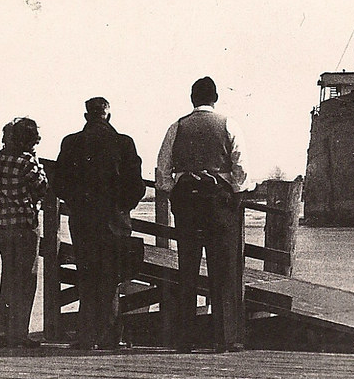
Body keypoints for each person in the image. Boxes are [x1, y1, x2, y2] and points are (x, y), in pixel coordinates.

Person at [156, 77, 252, 353]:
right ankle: (224, 337)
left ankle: (185, 338)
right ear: (216, 98)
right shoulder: (228, 124)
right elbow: (241, 167)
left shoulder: (177, 126)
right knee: (223, 268)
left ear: (192, 98)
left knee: (187, 267)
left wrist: (173, 188)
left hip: (187, 201)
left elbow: (163, 169)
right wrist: (234, 191)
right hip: (217, 202)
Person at [56, 97, 145, 350]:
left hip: (83, 219)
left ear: (87, 116)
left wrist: (76, 201)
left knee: (86, 274)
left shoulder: (71, 142)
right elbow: (136, 185)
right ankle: (110, 335)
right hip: (114, 220)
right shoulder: (123, 143)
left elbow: (60, 183)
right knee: (111, 277)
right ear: (108, 115)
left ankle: (86, 335)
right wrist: (123, 206)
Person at [0, 117, 50, 349]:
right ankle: (20, 333)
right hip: (26, 226)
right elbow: (42, 187)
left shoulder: (0, 157)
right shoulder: (27, 161)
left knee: (8, 278)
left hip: (4, 226)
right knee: (26, 281)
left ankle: (3, 332)